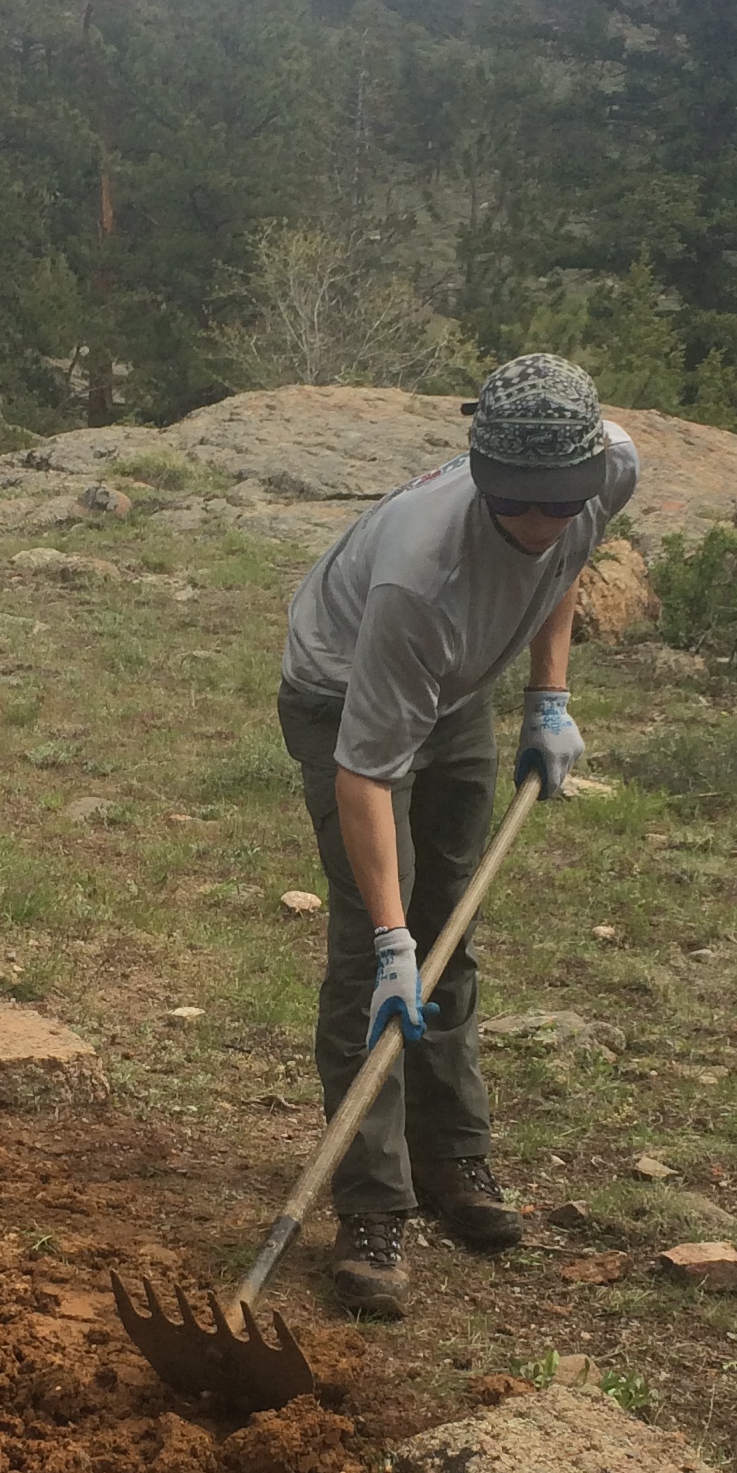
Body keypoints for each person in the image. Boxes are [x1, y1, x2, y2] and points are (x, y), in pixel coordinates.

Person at [277, 352, 639, 1316]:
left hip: (462, 692)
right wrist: (396, 940)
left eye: (559, 502)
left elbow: (566, 561)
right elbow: (366, 774)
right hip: (349, 695)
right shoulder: (418, 577)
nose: (539, 523)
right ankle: (371, 1204)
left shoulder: (599, 475)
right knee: (376, 954)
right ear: (484, 474)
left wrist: (548, 695)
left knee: (454, 929)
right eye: (519, 504)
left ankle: (454, 1161)